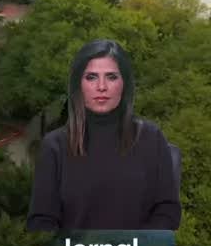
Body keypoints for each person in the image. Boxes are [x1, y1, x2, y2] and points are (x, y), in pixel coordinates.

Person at [27, 39, 181, 231]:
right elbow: (41, 220)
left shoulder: (151, 138)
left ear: (124, 84)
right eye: (91, 77)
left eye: (111, 77)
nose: (101, 86)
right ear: (78, 84)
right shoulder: (55, 145)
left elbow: (167, 211)